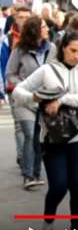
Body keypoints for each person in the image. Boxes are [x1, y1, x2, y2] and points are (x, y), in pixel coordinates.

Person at [12, 30, 78, 230]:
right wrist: (35, 97)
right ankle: (49, 218)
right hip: (52, 137)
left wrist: (61, 100)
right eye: (72, 50)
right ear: (63, 48)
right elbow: (17, 92)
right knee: (59, 186)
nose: (76, 56)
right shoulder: (46, 70)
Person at [6, 15, 56, 189]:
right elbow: (10, 74)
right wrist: (23, 88)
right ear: (35, 30)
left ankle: (35, 173)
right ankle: (28, 176)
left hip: (44, 100)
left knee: (38, 138)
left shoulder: (52, 48)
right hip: (23, 100)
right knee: (28, 134)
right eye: (44, 27)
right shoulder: (20, 49)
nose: (48, 29)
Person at [2, 5, 33, 168]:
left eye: (27, 17)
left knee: (33, 126)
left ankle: (29, 153)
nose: (24, 21)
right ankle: (23, 155)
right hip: (14, 87)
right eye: (21, 17)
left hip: (35, 89)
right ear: (15, 19)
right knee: (20, 126)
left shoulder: (38, 38)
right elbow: (4, 65)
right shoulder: (8, 39)